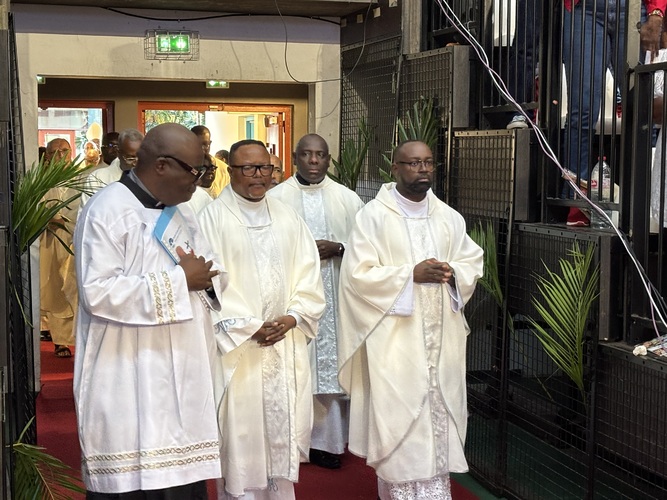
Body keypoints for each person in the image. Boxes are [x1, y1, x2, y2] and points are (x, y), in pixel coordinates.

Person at [73, 123, 226, 498]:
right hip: (127, 370)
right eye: (193, 170)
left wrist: (206, 279)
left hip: (183, 369)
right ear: (161, 165)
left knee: (182, 483)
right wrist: (179, 281)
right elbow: (97, 291)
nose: (199, 181)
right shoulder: (106, 211)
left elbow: (208, 269)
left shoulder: (183, 213)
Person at [337, 140, 484, 500]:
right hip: (395, 343)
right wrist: (409, 275)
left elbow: (472, 261)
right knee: (400, 419)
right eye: (414, 163)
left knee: (437, 418)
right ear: (395, 168)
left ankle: (435, 492)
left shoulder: (448, 217)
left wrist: (453, 272)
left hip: (442, 343)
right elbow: (356, 276)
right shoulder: (373, 217)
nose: (423, 170)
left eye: (428, 163)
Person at [198, 139, 325, 499]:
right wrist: (247, 325)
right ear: (232, 171)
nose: (259, 175)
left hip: (284, 344)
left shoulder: (287, 217)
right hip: (239, 349)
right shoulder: (211, 219)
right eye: (249, 168)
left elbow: (308, 273)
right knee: (241, 438)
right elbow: (206, 284)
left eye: (265, 167)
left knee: (280, 442)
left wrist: (294, 316)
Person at [268, 134, 364, 469]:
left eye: (320, 155)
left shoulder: (348, 200)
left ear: (328, 159)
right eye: (306, 154)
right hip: (293, 300)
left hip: (337, 297)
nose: (313, 161)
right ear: (295, 158)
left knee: (330, 371)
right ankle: (291, 440)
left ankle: (328, 443)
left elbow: (368, 249)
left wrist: (339, 248)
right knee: (297, 367)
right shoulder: (276, 199)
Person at [39, 138, 78, 358]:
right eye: (55, 152)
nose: (61, 156)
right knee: (55, 290)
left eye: (65, 151)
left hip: (74, 240)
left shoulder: (81, 179)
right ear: (47, 156)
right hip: (50, 240)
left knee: (74, 289)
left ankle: (76, 338)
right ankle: (60, 340)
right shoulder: (40, 181)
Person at [79, 128, 143, 209]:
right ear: (119, 154)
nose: (135, 163)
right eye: (130, 158)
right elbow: (88, 212)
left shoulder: (151, 178)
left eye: (141, 157)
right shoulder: (97, 178)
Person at [191, 125, 230, 198]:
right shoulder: (182, 168)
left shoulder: (224, 170)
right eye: (197, 145)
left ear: (210, 143)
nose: (202, 149)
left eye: (206, 145)